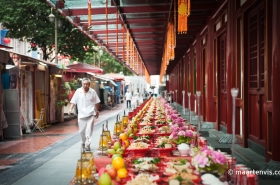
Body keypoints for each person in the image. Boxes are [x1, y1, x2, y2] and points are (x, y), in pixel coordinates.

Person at [68, 78, 100, 151]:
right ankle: (84, 142)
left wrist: (97, 111)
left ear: (89, 84)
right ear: (82, 84)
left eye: (87, 84)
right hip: (81, 114)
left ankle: (87, 145)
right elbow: (74, 101)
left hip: (91, 113)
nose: (85, 85)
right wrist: (70, 109)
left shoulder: (93, 92)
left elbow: (96, 102)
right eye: (84, 84)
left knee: (89, 130)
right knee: (81, 131)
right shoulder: (78, 91)